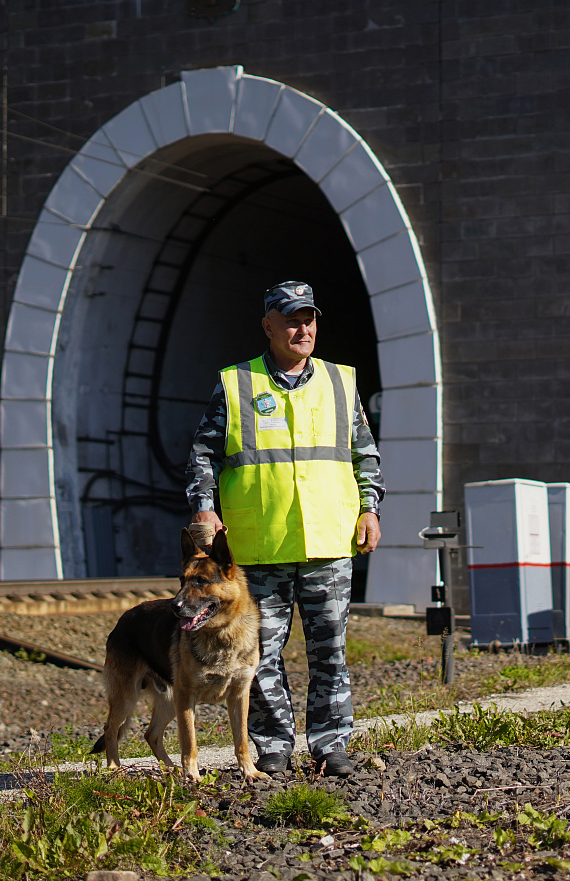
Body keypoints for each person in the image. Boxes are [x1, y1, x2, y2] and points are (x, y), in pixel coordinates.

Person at [185, 280, 383, 777]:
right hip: (259, 546)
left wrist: (369, 507)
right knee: (262, 655)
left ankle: (331, 744)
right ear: (268, 325)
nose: (302, 328)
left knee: (330, 652)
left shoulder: (341, 382)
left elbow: (364, 455)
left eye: (309, 319)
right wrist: (204, 508)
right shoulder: (236, 383)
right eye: (291, 319)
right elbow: (204, 453)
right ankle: (273, 746)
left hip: (328, 542)